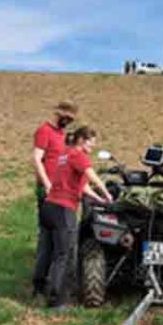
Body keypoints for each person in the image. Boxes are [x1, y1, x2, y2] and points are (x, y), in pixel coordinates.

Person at [41, 125, 114, 308]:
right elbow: (92, 176)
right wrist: (107, 194)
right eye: (91, 142)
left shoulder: (65, 155)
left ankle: (41, 288)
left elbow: (81, 186)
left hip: (49, 207)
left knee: (50, 252)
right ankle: (57, 302)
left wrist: (98, 198)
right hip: (63, 210)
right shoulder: (78, 155)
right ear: (81, 139)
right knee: (64, 256)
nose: (93, 147)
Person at [31, 100, 79, 297]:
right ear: (57, 114)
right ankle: (41, 285)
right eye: (65, 117)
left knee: (55, 239)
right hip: (49, 192)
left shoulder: (62, 135)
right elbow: (36, 158)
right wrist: (47, 184)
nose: (67, 121)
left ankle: (48, 282)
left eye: (70, 119)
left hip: (61, 192)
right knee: (49, 239)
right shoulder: (44, 131)